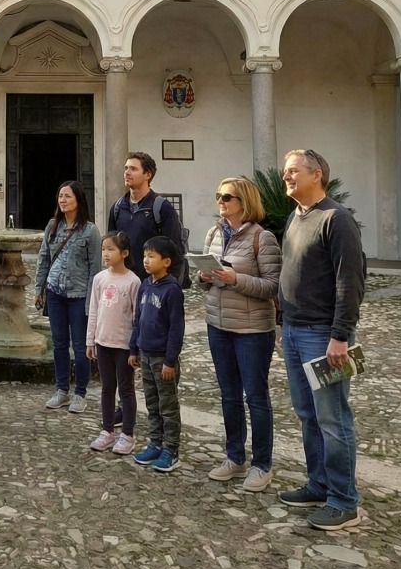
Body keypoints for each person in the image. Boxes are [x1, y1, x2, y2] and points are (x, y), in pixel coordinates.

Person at [277, 148, 365, 531]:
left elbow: (350, 282)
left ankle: (345, 501)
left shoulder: (337, 219)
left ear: (317, 175)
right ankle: (319, 484)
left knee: (332, 417)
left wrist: (340, 337)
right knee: (307, 414)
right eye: (285, 172)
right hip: (295, 332)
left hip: (323, 336)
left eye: (294, 171)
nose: (286, 177)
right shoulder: (295, 218)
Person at [199, 176, 281, 493]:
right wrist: (205, 275)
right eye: (218, 195)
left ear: (244, 202)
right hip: (218, 324)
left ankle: (262, 464)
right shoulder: (214, 233)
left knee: (256, 398)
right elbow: (205, 279)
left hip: (251, 330)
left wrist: (236, 279)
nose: (221, 201)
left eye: (227, 197)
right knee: (229, 395)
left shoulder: (263, 238)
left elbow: (273, 287)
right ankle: (235, 457)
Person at [34, 180, 101, 413]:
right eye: (60, 196)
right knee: (59, 344)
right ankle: (61, 389)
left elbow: (95, 268)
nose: (62, 200)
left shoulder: (90, 231)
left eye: (67, 197)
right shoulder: (53, 226)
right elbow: (43, 258)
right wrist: (38, 289)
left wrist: (91, 301)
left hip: (79, 294)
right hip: (55, 293)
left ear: (78, 200)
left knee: (81, 347)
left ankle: (80, 393)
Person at [129, 236, 185, 473]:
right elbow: (138, 319)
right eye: (144, 256)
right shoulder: (145, 285)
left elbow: (176, 328)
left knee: (168, 405)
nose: (146, 260)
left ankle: (171, 450)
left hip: (163, 359)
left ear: (166, 261)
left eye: (152, 256)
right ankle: (155, 442)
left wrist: (170, 360)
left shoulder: (172, 290)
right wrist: (134, 348)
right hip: (146, 354)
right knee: (152, 403)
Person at [86, 231, 142, 454]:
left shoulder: (133, 282)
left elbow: (137, 316)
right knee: (107, 388)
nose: (106, 254)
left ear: (124, 253)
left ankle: (127, 434)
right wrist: (91, 339)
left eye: (111, 249)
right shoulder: (100, 279)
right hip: (103, 342)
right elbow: (94, 310)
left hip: (124, 345)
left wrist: (135, 348)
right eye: (103, 249)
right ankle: (107, 430)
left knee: (126, 390)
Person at [106, 152, 183, 280]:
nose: (127, 172)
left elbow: (174, 250)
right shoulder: (117, 207)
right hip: (124, 281)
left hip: (151, 282)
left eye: (133, 169)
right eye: (126, 168)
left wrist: (169, 285)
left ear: (147, 175)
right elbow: (112, 247)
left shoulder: (162, 207)